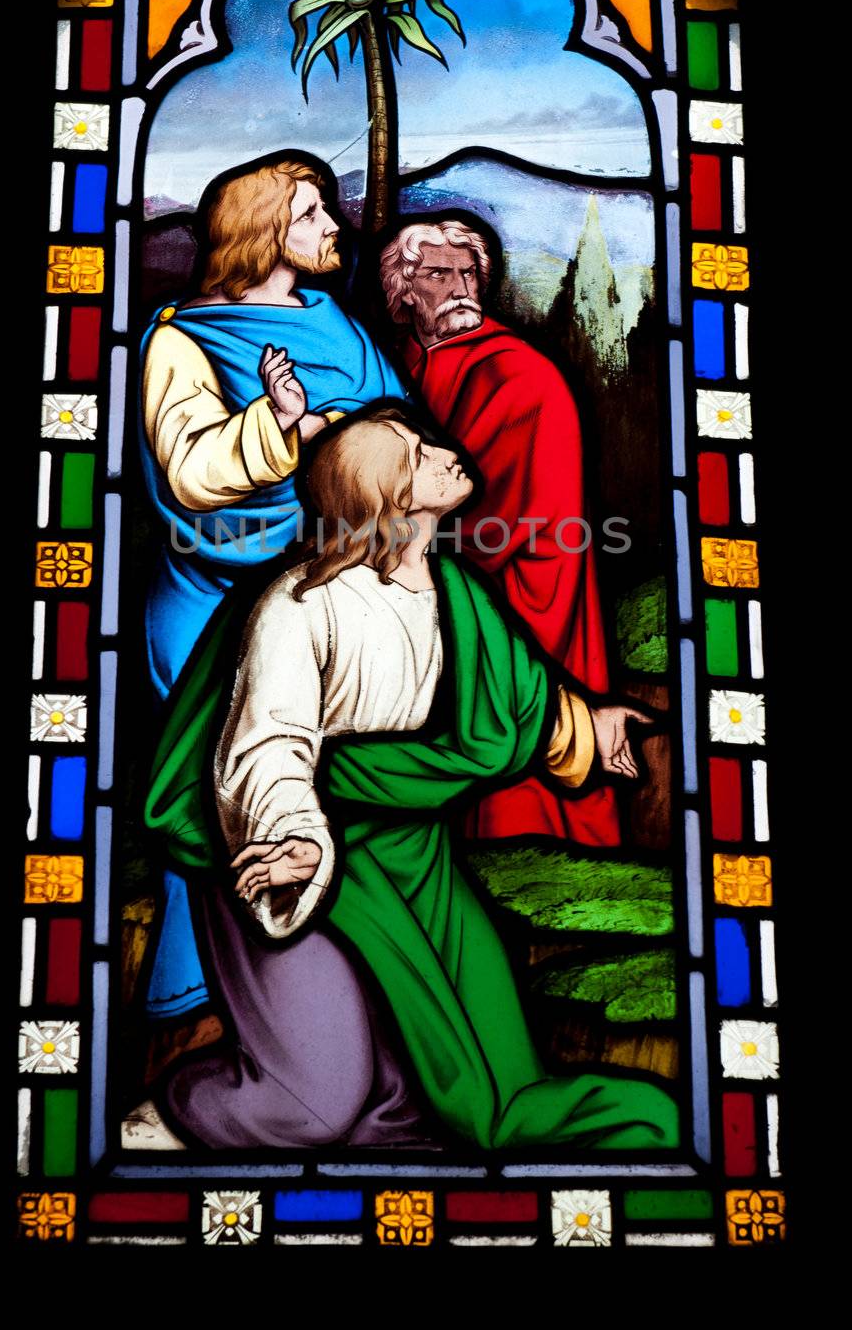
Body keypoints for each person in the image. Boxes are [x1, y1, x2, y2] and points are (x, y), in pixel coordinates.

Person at [151, 410, 678, 1151]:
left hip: (414, 857)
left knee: (481, 1077)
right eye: (417, 454)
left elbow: (512, 699)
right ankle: (165, 1122)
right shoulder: (300, 605)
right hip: (296, 853)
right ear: (385, 497)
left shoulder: (455, 594)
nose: (445, 453)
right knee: (315, 1108)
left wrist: (589, 731)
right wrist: (293, 840)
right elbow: (267, 743)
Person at [137, 154, 404, 1021]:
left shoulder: (335, 320)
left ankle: (324, 992)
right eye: (312, 213)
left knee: (327, 782)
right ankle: (200, 987)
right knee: (213, 789)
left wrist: (350, 441)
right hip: (216, 598)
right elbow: (189, 471)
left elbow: (395, 432)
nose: (334, 227)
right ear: (263, 232)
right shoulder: (183, 338)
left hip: (332, 591)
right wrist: (281, 426)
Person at [380, 218, 620, 845]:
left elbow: (491, 513)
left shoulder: (518, 375)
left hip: (521, 583)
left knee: (506, 730)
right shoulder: (401, 361)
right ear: (405, 291)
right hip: (451, 573)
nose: (462, 287)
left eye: (469, 274)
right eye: (439, 274)